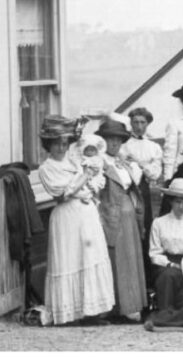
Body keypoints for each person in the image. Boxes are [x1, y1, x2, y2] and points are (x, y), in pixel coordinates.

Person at [37, 116, 115, 325]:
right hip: (67, 217)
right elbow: (62, 194)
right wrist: (83, 179)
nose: (61, 147)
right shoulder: (47, 168)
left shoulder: (74, 160)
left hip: (86, 214)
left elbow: (89, 184)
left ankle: (91, 312)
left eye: (64, 143)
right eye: (56, 143)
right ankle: (69, 314)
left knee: (90, 257)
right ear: (48, 144)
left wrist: (86, 181)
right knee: (70, 259)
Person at [97, 118, 148, 322]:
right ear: (102, 141)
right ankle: (112, 306)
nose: (114, 144)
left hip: (128, 214)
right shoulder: (97, 161)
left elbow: (132, 185)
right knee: (113, 258)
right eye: (110, 139)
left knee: (129, 258)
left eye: (118, 140)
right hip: (109, 214)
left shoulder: (122, 161)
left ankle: (130, 305)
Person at [149, 178, 183, 312]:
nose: (181, 206)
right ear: (171, 201)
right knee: (169, 275)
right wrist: (170, 264)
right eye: (178, 202)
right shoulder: (159, 222)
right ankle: (166, 311)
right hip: (165, 263)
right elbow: (154, 252)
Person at [121, 107, 162, 240]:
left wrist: (139, 163)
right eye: (135, 122)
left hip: (146, 189)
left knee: (146, 222)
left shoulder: (153, 146)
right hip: (129, 187)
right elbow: (123, 164)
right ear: (131, 123)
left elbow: (155, 174)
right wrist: (145, 164)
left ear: (148, 123)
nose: (139, 126)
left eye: (142, 122)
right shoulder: (124, 144)